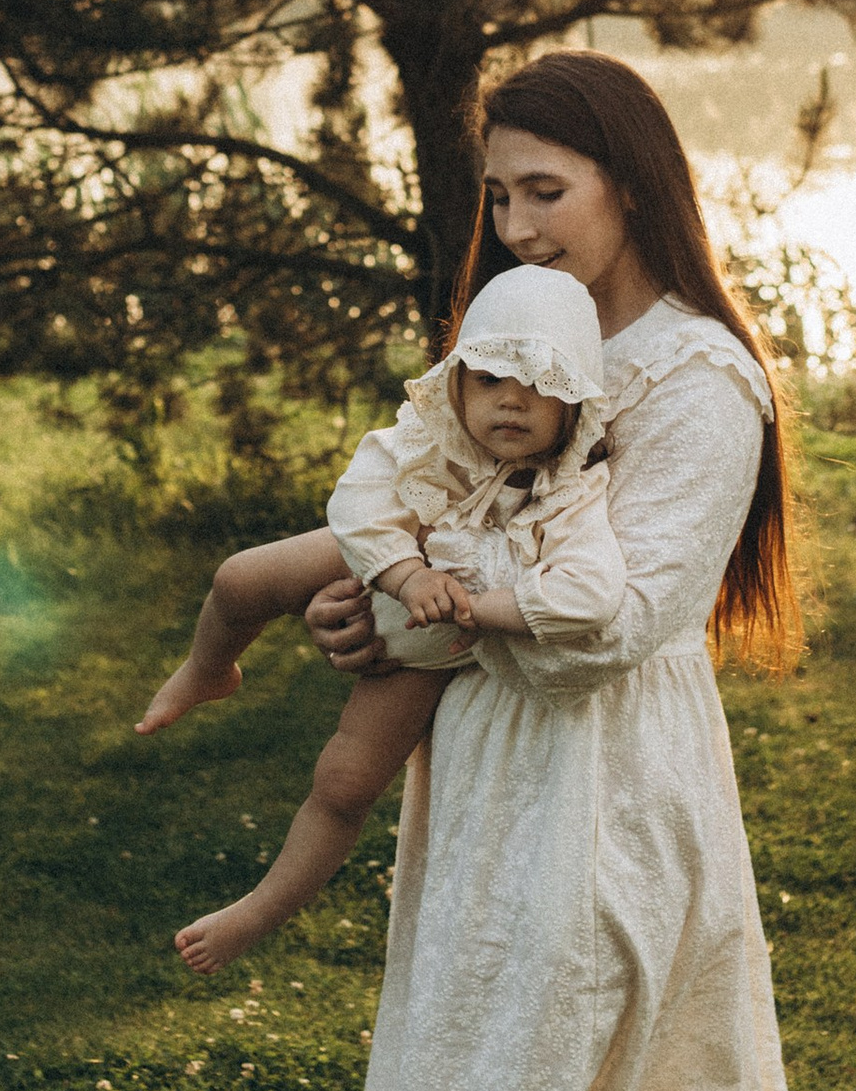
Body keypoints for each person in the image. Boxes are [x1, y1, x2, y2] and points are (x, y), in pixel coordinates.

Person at [314, 51, 827, 1091]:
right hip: (500, 773)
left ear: (631, 181)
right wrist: (373, 601)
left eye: (551, 190)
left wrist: (437, 606)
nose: (522, 225)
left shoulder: (696, 375)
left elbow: (627, 615)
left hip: (600, 789)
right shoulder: (529, 348)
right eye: (501, 194)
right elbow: (428, 518)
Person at [135, 264, 627, 976]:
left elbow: (594, 593)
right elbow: (360, 503)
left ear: (576, 401)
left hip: (430, 649)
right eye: (490, 378)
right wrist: (404, 573)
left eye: (541, 385)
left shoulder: (571, 495)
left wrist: (479, 609)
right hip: (378, 559)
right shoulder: (425, 438)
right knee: (240, 576)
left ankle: (260, 908)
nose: (512, 402)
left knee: (344, 783)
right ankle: (209, 668)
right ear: (456, 380)